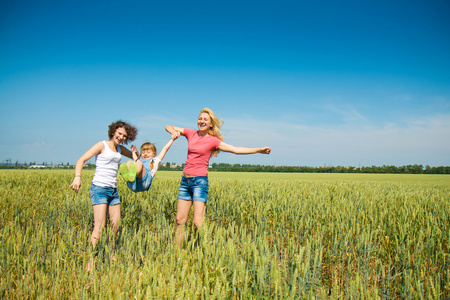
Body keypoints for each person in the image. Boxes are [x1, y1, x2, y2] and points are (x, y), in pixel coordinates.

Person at [165, 108, 271, 247]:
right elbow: (168, 126)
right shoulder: (191, 133)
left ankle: (206, 252)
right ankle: (176, 255)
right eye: (200, 118)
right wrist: (172, 131)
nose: (201, 121)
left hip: (199, 183)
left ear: (210, 124)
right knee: (179, 220)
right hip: (185, 182)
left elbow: (236, 150)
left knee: (198, 223)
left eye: (205, 119)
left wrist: (258, 150)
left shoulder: (213, 141)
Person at [69, 120, 138, 258]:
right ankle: (90, 260)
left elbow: (136, 158)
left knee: (116, 225)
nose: (121, 137)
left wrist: (135, 152)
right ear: (113, 131)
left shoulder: (120, 149)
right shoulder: (102, 145)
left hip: (113, 190)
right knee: (99, 227)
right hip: (99, 188)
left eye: (124, 136)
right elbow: (81, 160)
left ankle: (111, 254)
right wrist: (77, 177)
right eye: (119, 133)